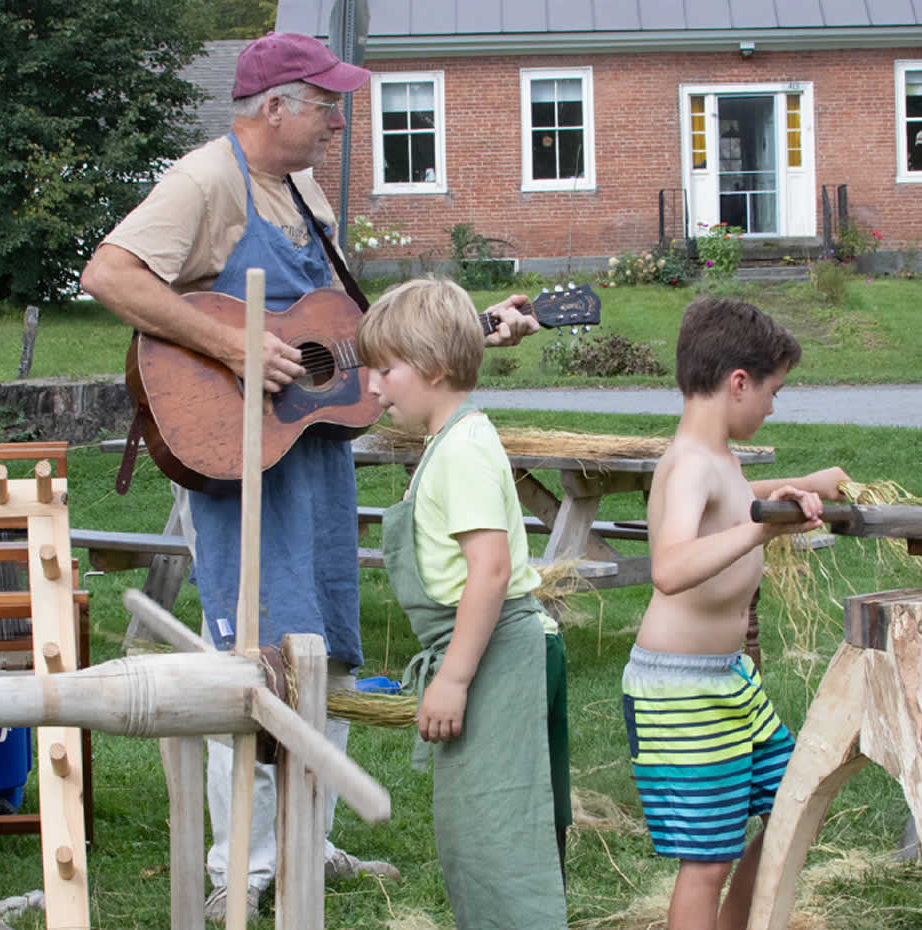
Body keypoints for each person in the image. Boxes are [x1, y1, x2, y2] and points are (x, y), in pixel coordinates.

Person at [76, 32, 538, 920]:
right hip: (239, 456)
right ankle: (239, 865)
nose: (336, 118)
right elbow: (109, 273)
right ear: (273, 106)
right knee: (254, 652)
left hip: (310, 453)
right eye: (324, 103)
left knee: (321, 647)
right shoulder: (206, 180)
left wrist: (471, 331)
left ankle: (306, 838)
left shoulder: (303, 192)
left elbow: (343, 343)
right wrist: (231, 341)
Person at [624, 297, 849, 930]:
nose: (774, 406)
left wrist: (788, 488)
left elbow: (730, 501)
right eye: (773, 392)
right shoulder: (691, 463)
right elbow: (669, 568)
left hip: (727, 681)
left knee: (793, 804)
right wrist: (760, 533)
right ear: (738, 382)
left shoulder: (714, 456)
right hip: (680, 690)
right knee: (706, 861)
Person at [355, 277, 569, 929]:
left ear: (434, 368)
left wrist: (451, 679)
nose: (371, 388)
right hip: (483, 657)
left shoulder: (465, 450)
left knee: (503, 846)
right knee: (478, 839)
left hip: (493, 658)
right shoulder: (448, 446)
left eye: (384, 370)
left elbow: (490, 571)